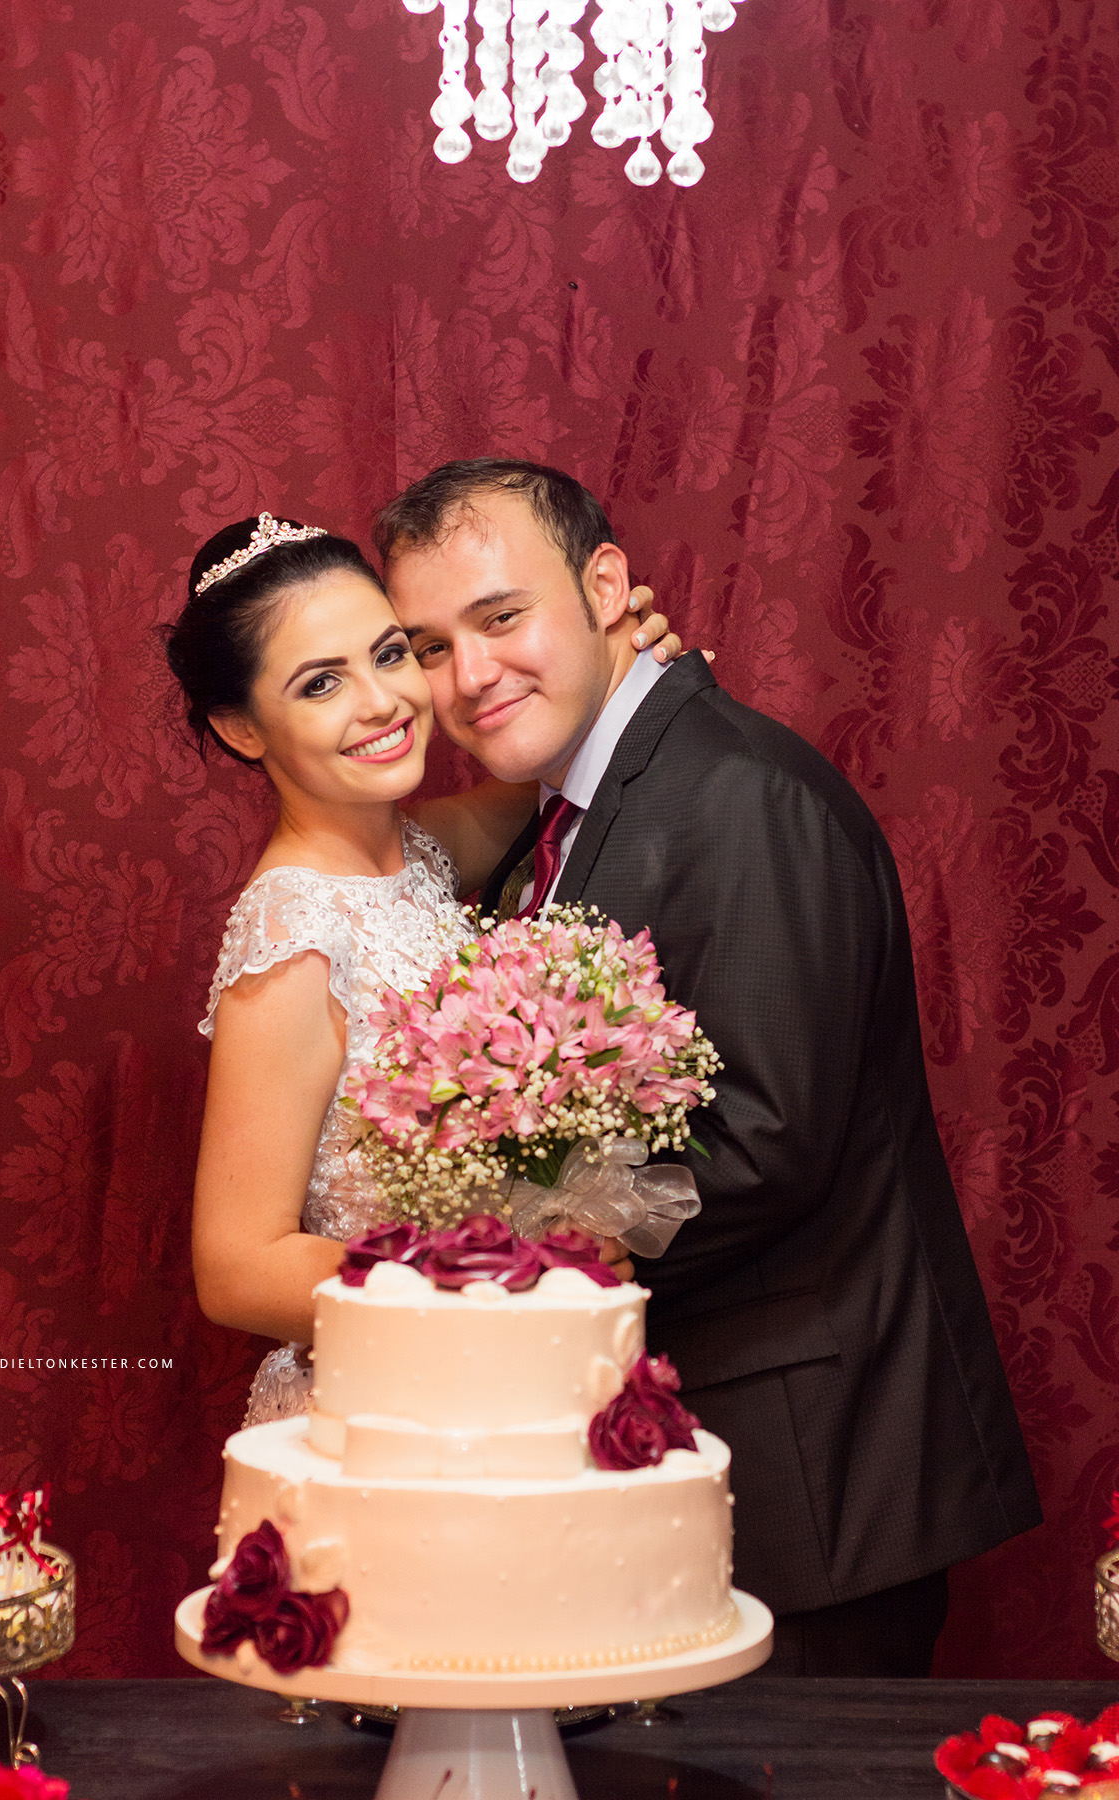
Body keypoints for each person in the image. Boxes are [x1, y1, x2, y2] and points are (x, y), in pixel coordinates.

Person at [373, 458, 1043, 1677]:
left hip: (814, 1483)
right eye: (426, 644)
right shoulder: (571, 807)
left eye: (502, 617)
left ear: (607, 588)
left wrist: (507, 1244)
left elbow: (768, 1138)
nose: (468, 677)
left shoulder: (736, 796)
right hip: (710, 1470)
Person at [165, 513, 673, 1421]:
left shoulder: (422, 852)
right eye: (322, 683)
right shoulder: (294, 933)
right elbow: (238, 1270)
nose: (382, 703)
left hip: (507, 1385)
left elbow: (561, 759)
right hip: (383, 1406)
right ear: (243, 728)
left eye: (391, 655)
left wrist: (622, 658)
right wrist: (498, 1277)